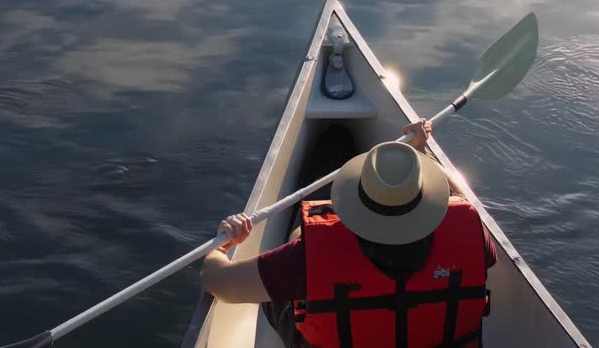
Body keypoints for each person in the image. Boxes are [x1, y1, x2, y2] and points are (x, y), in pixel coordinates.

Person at [201, 120, 496, 347]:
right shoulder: (472, 234)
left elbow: (220, 284)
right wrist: (421, 152)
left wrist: (221, 245)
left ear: (357, 203)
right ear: (427, 200)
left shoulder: (307, 258)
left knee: (284, 268)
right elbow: (461, 196)